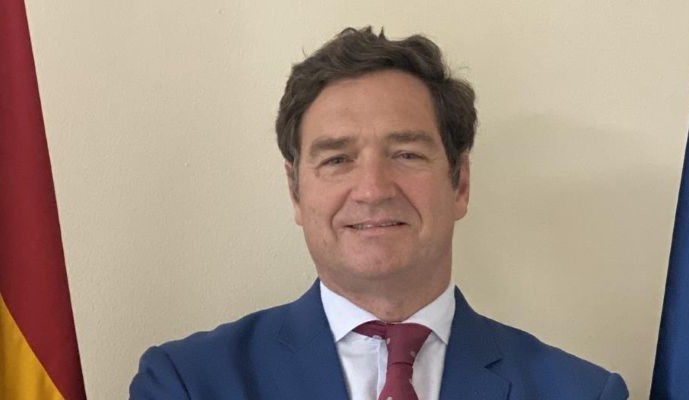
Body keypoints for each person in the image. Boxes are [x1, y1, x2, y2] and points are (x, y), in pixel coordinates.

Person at [130, 27, 629, 400]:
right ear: (296, 192)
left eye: (406, 154)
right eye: (337, 159)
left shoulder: (582, 392)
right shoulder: (189, 382)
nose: (372, 189)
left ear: (460, 183)